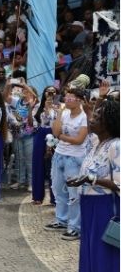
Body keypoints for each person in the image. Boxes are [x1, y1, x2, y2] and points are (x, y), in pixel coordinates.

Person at [67, 98, 119, 272]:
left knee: (105, 268)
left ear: (108, 121)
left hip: (105, 211)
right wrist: (81, 180)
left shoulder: (116, 146)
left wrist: (90, 178)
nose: (91, 119)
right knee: (89, 265)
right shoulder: (95, 143)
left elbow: (118, 184)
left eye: (97, 116)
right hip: (88, 210)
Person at [45, 87, 88, 241]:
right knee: (58, 189)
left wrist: (61, 136)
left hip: (75, 158)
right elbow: (55, 132)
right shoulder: (65, 113)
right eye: (66, 97)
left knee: (74, 194)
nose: (67, 100)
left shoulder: (84, 116)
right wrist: (60, 113)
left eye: (71, 98)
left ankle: (75, 227)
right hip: (60, 154)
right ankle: (61, 220)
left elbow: (79, 140)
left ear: (79, 100)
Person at [30, 86, 58, 205]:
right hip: (40, 133)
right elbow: (33, 123)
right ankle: (37, 196)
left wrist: (52, 108)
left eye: (53, 91)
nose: (50, 93)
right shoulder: (38, 106)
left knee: (53, 166)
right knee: (38, 165)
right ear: (44, 93)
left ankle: (54, 197)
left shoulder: (60, 106)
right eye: (48, 91)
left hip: (55, 133)